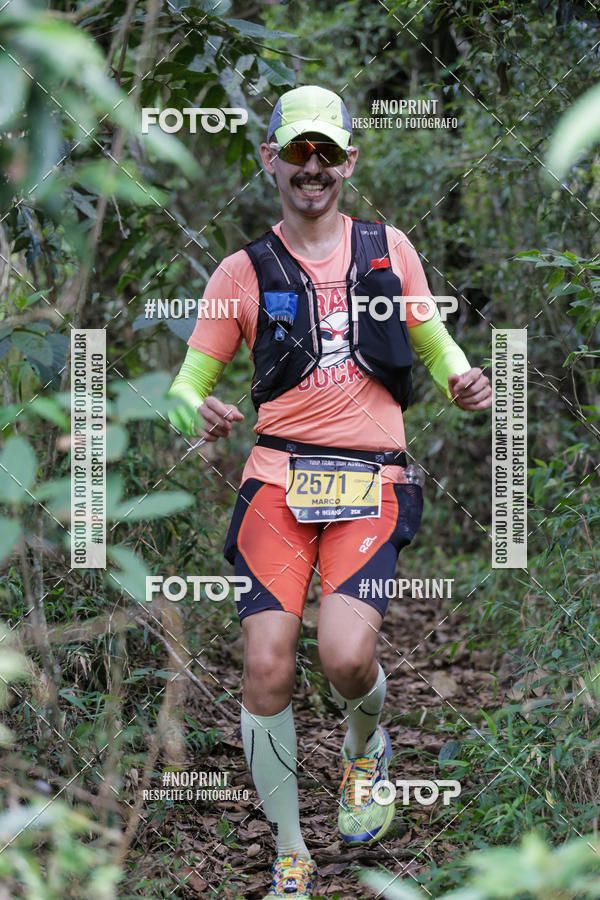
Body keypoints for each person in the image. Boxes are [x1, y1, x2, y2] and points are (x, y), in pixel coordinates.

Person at [168, 85, 492, 900]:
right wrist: (195, 407)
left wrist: (459, 376)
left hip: (370, 481)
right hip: (275, 483)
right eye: (298, 152)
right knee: (267, 667)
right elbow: (186, 382)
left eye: (329, 153)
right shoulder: (242, 270)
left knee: (347, 658)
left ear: (350, 159)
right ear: (271, 158)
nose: (314, 168)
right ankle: (291, 852)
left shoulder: (388, 248)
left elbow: (430, 331)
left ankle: (363, 748)